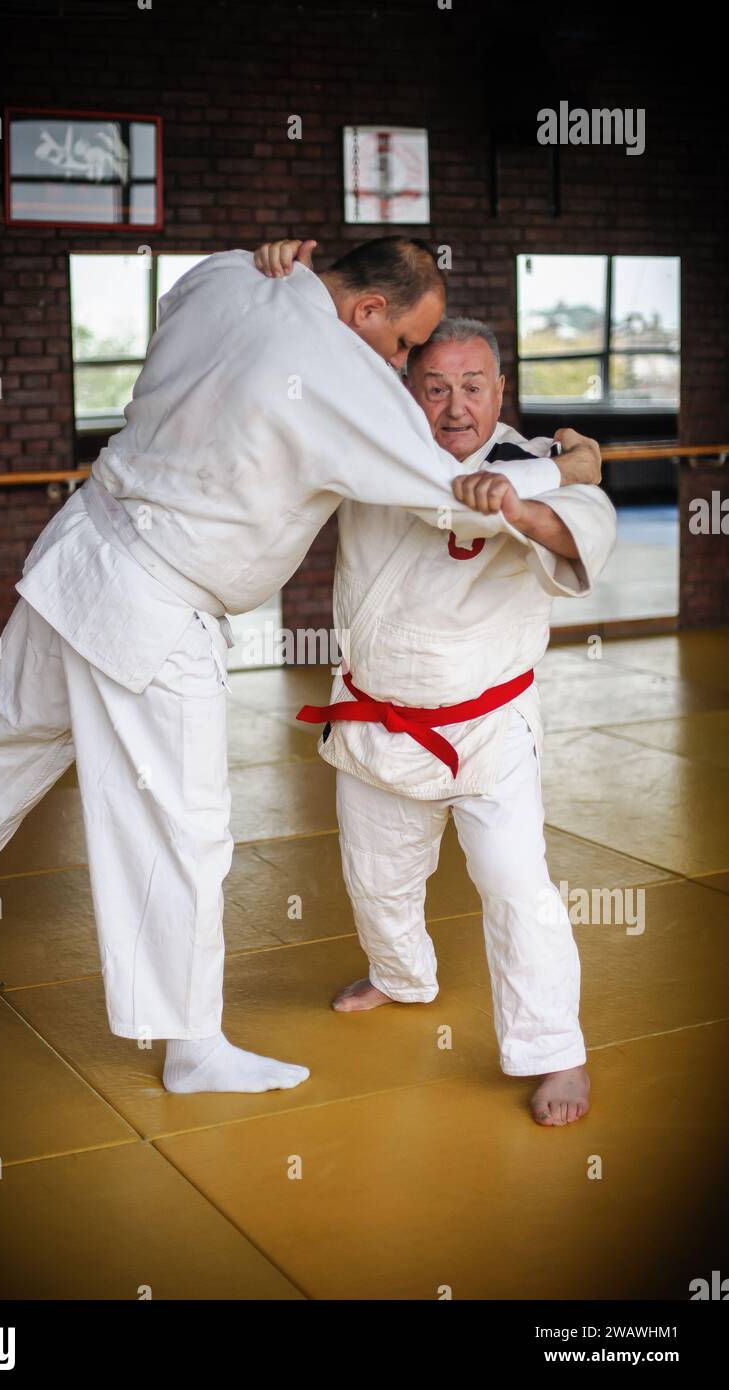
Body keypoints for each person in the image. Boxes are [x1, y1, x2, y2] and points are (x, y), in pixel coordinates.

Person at [0, 238, 601, 1097]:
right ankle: (193, 1048)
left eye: (465, 382)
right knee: (180, 829)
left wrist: (274, 265)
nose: (409, 371)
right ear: (367, 311)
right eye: (410, 351)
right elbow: (446, 490)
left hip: (84, 541)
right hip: (159, 599)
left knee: (12, 720)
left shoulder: (229, 274)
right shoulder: (346, 386)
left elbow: (185, 309)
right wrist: (570, 466)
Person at [255, 239, 615, 1125]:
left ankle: (553, 1052)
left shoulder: (527, 461)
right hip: (380, 719)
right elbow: (298, 357)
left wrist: (527, 501)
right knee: (376, 878)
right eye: (435, 386)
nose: (456, 405)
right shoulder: (371, 452)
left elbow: (586, 526)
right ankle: (400, 975)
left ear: (499, 391)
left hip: (489, 728)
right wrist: (280, 277)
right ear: (406, 386)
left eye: (474, 386)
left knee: (514, 882)